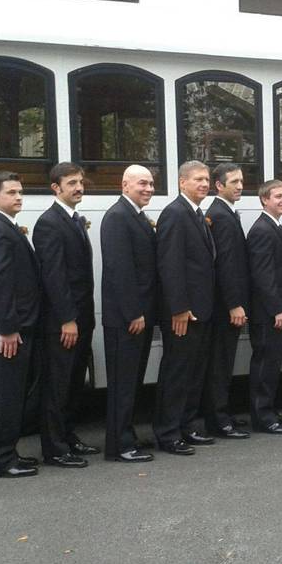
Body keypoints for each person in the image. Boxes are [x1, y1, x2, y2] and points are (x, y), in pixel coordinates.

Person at [0, 171, 41, 478]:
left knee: (12, 394)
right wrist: (8, 328)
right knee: (2, 396)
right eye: (11, 192)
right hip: (6, 331)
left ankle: (8, 453)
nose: (18, 197)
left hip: (14, 327)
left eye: (20, 191)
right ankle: (0, 460)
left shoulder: (6, 227)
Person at [32, 162, 97, 469]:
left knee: (73, 383)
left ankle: (69, 437)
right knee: (57, 385)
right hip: (64, 322)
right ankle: (55, 448)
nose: (78, 187)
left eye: (80, 182)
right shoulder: (49, 223)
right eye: (71, 183)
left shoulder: (73, 219)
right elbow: (54, 277)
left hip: (82, 318)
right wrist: (67, 320)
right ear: (55, 188)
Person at [155, 160, 216, 455]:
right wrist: (178, 308)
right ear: (182, 183)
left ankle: (187, 426)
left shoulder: (195, 213)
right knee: (177, 373)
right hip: (184, 313)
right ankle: (168, 433)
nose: (204, 184)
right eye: (198, 180)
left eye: (206, 179)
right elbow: (170, 265)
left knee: (194, 372)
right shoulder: (175, 214)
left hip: (201, 310)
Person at [99, 165, 157, 463]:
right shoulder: (118, 216)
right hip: (127, 318)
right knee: (122, 383)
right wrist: (134, 312)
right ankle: (118, 445)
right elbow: (120, 270)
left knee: (131, 381)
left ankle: (127, 436)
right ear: (125, 185)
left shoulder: (135, 215)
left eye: (150, 184)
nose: (148, 188)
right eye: (142, 184)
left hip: (138, 316)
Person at [201, 164, 251, 439]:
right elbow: (225, 265)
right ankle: (218, 420)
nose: (240, 186)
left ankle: (222, 414)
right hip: (224, 306)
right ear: (219, 186)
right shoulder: (219, 215)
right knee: (220, 364)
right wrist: (234, 304)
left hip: (226, 304)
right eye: (234, 181)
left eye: (241, 181)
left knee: (224, 362)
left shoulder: (226, 212)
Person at [246, 180, 282, 434]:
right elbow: (263, 275)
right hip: (270, 314)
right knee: (265, 364)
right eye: (278, 196)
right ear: (264, 200)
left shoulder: (274, 227)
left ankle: (268, 409)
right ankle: (263, 416)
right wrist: (277, 309)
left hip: (279, 310)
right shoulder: (262, 230)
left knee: (273, 363)